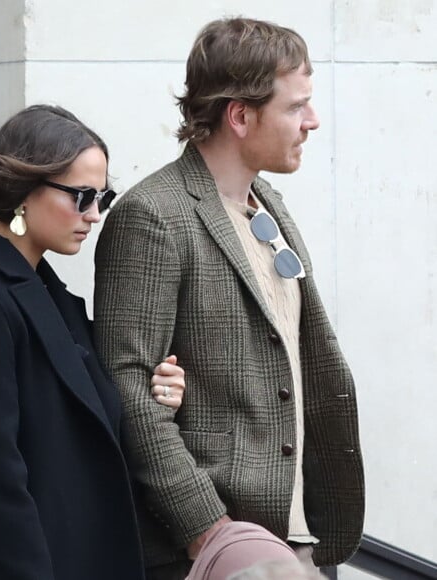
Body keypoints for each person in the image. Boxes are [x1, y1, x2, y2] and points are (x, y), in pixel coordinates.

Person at [94, 17, 365, 580]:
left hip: (295, 540)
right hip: (215, 551)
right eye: (296, 107)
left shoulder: (267, 204)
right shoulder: (154, 216)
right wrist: (206, 530)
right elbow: (127, 382)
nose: (312, 121)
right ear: (240, 115)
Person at [0, 104, 186, 580]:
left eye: (103, 197)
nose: (95, 215)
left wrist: (157, 387)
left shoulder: (49, 296)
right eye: (81, 197)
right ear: (23, 192)